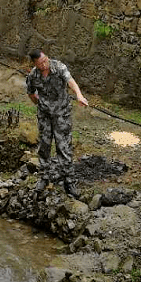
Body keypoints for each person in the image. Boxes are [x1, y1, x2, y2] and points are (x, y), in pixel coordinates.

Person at [25, 50, 88, 196]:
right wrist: (40, 104)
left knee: (63, 146)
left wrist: (79, 95)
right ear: (35, 64)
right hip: (45, 115)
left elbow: (71, 81)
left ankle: (69, 182)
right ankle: (44, 177)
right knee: (44, 145)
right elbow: (30, 92)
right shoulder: (33, 75)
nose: (44, 64)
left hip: (61, 114)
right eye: (40, 63)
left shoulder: (59, 67)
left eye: (45, 60)